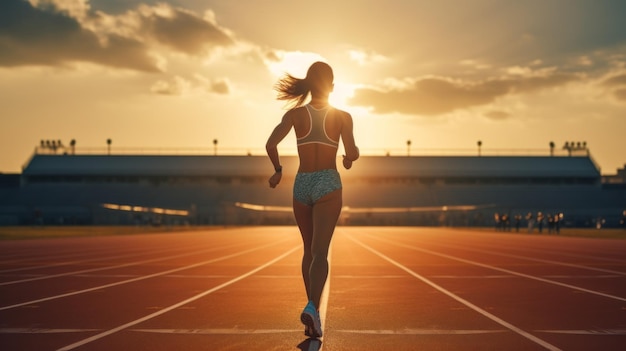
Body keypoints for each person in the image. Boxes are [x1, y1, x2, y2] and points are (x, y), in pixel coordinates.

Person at [265, 61, 359, 338]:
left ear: (309, 83)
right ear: (331, 86)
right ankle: (313, 307)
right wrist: (348, 159)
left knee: (308, 251)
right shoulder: (342, 116)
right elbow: (352, 153)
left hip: (301, 183)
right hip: (328, 181)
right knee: (321, 252)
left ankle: (312, 313)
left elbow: (270, 145)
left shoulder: (295, 115)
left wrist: (277, 171)